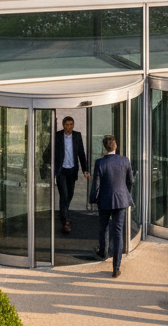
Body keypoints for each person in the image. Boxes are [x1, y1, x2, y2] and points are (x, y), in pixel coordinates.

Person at [89, 134, 134, 277]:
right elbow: (130, 181)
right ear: (115, 146)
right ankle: (116, 267)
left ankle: (103, 252)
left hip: (105, 200)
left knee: (104, 228)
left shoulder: (100, 163)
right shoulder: (125, 161)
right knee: (118, 232)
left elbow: (96, 184)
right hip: (121, 200)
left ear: (104, 147)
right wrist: (125, 194)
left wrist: (93, 199)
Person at [51, 115, 89, 234]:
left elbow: (81, 154)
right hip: (61, 170)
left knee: (70, 194)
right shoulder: (57, 136)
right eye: (67, 125)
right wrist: (52, 167)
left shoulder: (77, 136)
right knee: (64, 195)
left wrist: (85, 170)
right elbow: (49, 152)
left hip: (72, 170)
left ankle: (64, 213)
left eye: (71, 125)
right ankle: (65, 221)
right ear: (63, 125)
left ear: (73, 125)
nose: (69, 127)